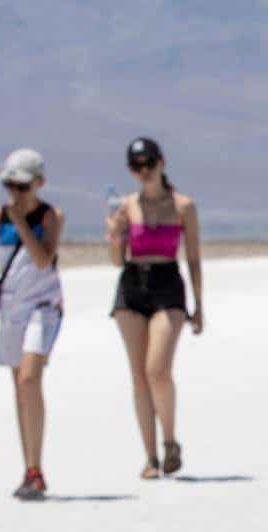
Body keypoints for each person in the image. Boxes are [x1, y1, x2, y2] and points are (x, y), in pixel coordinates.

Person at [0, 149, 65, 500]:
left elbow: (42, 260)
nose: (15, 194)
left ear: (39, 183)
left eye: (22, 186)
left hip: (43, 306)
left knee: (29, 378)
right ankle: (30, 467)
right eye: (10, 185)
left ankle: (36, 468)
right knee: (19, 388)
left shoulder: (50, 216)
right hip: (11, 310)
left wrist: (23, 222)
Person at [105, 137, 203, 479]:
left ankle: (170, 441)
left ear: (162, 163)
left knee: (157, 369)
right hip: (132, 286)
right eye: (136, 167)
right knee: (139, 376)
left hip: (167, 284)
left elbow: (192, 258)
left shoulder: (183, 206)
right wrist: (116, 235)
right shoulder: (127, 207)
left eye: (149, 164)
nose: (144, 172)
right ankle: (150, 456)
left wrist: (199, 305)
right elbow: (118, 261)